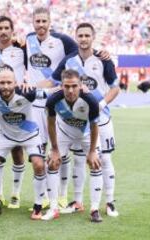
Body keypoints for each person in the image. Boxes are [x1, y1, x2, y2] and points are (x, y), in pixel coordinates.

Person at [52, 22, 120, 217]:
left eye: (86, 35)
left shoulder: (103, 59)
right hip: (78, 120)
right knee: (79, 160)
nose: (83, 39)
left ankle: (109, 202)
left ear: (93, 37)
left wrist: (101, 104)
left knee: (104, 159)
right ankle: (78, 201)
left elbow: (115, 88)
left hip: (102, 118)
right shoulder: (69, 60)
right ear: (76, 37)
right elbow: (56, 82)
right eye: (80, 35)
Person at [25, 7, 79, 208]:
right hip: (34, 104)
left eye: (43, 21)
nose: (40, 25)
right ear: (33, 22)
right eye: (37, 21)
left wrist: (57, 74)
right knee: (38, 153)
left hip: (56, 101)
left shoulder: (61, 40)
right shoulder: (28, 40)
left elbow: (78, 50)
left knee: (61, 151)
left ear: (49, 22)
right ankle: (44, 197)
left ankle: (63, 195)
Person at [0, 70, 47, 219]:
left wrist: (82, 89)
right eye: (2, 83)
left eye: (9, 82)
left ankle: (38, 206)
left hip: (30, 135)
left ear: (15, 83)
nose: (5, 86)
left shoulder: (27, 93)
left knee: (39, 164)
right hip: (5, 135)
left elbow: (53, 92)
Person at [44, 69, 103, 223]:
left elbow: (95, 126)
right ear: (61, 86)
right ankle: (53, 208)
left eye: (74, 86)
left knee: (95, 163)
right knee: (52, 162)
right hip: (64, 132)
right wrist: (55, 149)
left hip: (86, 134)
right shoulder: (53, 100)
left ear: (81, 85)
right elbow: (50, 125)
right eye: (67, 86)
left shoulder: (91, 100)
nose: (70, 90)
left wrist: (92, 152)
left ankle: (94, 209)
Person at [0, 15, 27, 208]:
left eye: (6, 28)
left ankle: (16, 194)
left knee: (18, 151)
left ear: (12, 30)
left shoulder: (21, 48)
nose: (3, 31)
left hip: (17, 105)